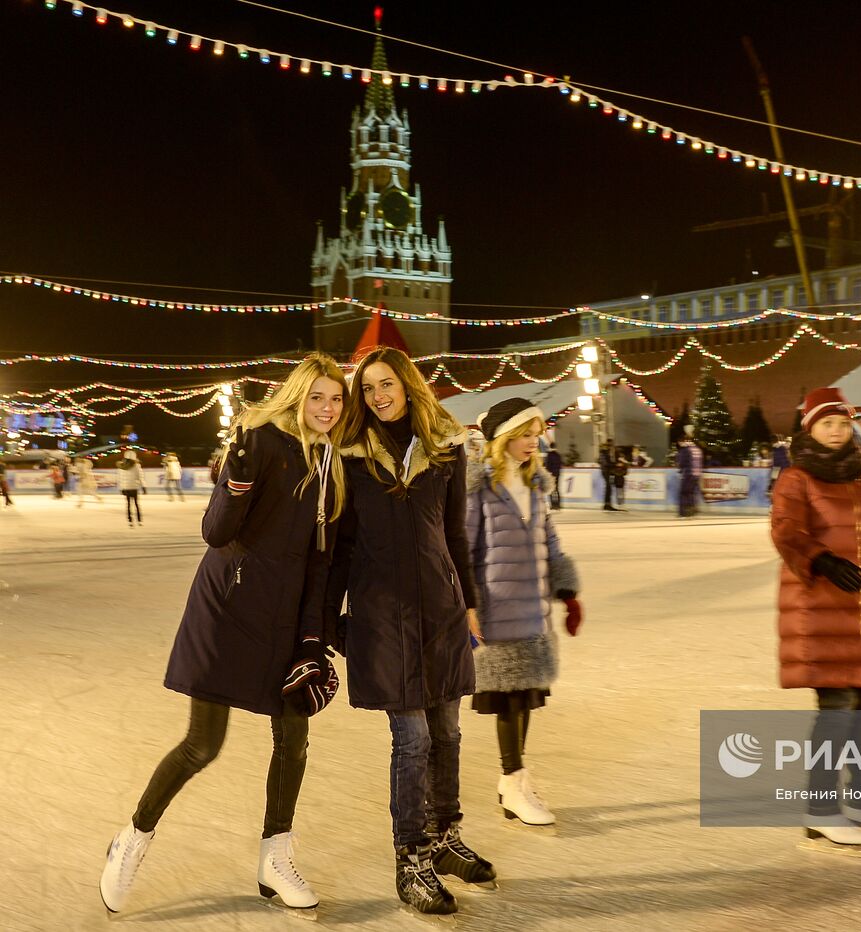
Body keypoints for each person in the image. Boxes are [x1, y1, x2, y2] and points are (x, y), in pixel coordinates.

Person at [98, 354, 348, 916]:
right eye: (317, 397)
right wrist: (234, 480)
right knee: (203, 744)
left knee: (293, 737)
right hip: (229, 608)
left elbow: (321, 563)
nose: (327, 409)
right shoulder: (260, 442)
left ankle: (275, 856)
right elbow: (215, 531)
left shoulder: (333, 463)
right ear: (297, 396)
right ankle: (133, 838)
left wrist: (313, 639)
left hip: (284, 619)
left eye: (335, 399)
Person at [328, 346, 494, 917]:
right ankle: (411, 858)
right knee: (414, 739)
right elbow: (340, 546)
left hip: (440, 612)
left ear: (407, 384)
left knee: (447, 732)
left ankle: (444, 838)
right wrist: (327, 620)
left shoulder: (445, 451)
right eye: (368, 388)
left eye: (385, 384)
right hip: (382, 615)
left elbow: (455, 534)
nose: (377, 396)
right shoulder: (350, 457)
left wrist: (469, 601)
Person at [769, 387, 861, 847]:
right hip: (819, 604)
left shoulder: (857, 479)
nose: (836, 431)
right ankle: (821, 808)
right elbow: (786, 531)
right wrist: (821, 559)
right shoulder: (796, 478)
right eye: (827, 423)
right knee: (838, 711)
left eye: (843, 424)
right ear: (810, 427)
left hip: (860, 608)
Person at [465, 398, 583, 827]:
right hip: (495, 609)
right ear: (504, 439)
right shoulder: (479, 488)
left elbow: (548, 543)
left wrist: (567, 591)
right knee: (507, 699)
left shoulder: (535, 486)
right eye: (525, 434)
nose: (535, 441)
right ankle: (514, 780)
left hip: (532, 609)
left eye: (537, 433)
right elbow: (464, 548)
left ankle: (512, 780)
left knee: (526, 697)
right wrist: (467, 604)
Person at [676, 425, 702, 517]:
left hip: (688, 473)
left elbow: (681, 463)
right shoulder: (697, 449)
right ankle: (692, 510)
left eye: (679, 443)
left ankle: (683, 512)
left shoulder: (685, 450)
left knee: (684, 492)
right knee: (691, 492)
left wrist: (680, 470)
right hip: (697, 473)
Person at [116, 450, 146, 526]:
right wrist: (143, 486)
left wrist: (120, 488)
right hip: (133, 487)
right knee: (136, 504)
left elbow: (119, 478)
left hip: (126, 488)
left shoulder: (121, 466)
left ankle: (130, 520)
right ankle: (139, 520)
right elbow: (140, 476)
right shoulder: (136, 465)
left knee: (128, 504)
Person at [599, 438, 618, 511]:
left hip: (608, 471)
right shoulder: (604, 452)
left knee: (609, 487)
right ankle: (607, 504)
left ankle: (607, 504)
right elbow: (605, 463)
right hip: (606, 471)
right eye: (610, 444)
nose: (611, 446)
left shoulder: (607, 452)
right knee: (608, 487)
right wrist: (615, 465)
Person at [544, 444, 564, 511]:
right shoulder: (558, 455)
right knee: (557, 490)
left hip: (551, 475)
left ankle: (552, 505)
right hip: (557, 474)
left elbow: (547, 465)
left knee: (551, 490)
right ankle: (558, 505)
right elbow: (560, 464)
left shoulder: (549, 455)